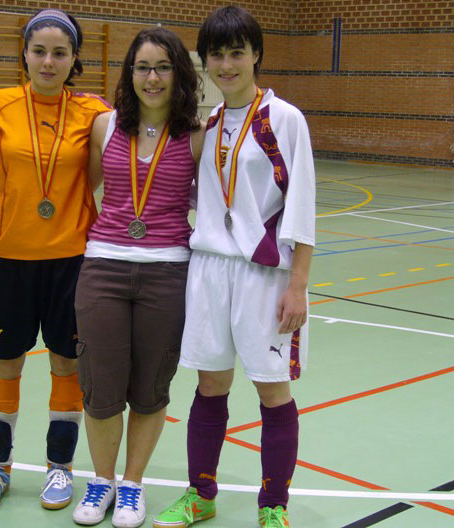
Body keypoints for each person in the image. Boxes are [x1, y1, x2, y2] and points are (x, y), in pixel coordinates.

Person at [153, 6, 315, 528]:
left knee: (272, 389)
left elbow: (303, 206)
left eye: (236, 53)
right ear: (205, 62)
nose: (226, 64)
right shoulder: (209, 125)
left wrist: (299, 285)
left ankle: (273, 507)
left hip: (264, 277)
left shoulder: (284, 119)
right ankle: (201, 495)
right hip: (208, 270)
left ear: (256, 56)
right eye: (216, 55)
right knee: (209, 387)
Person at [0, 8, 111, 513]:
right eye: (39, 51)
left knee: (67, 363)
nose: (49, 61)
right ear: (24, 54)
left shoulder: (94, 112)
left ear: (74, 60)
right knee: (6, 363)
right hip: (9, 258)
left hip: (71, 259)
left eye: (60, 53)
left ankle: (59, 470)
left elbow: (134, 138)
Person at [70, 28, 205, 528]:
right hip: (103, 268)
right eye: (143, 67)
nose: (153, 77)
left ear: (180, 74)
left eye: (164, 67)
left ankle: (131, 486)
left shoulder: (195, 135)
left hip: (168, 275)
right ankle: (102, 480)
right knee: (101, 388)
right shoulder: (105, 127)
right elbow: (83, 191)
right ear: (130, 73)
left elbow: (210, 208)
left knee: (150, 388)